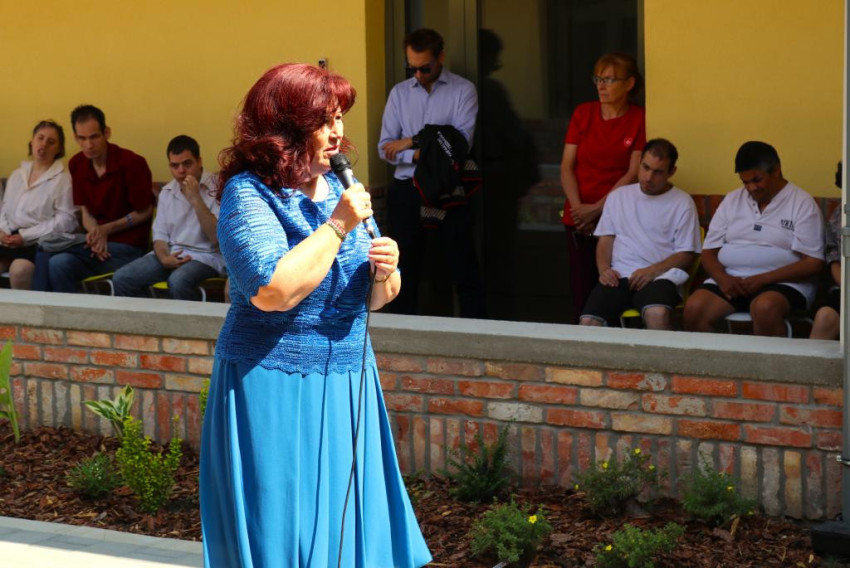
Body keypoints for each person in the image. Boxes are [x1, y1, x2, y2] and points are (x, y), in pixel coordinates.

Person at [200, 63, 431, 568]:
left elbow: (377, 297)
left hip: (348, 377)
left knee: (346, 520)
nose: (337, 131)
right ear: (284, 128)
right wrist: (339, 225)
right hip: (271, 377)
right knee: (284, 523)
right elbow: (273, 290)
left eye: (339, 118)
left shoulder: (343, 187)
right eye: (323, 121)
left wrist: (385, 270)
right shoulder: (248, 193)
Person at [378, 27, 486, 318]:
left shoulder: (463, 90)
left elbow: (459, 146)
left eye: (424, 68)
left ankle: (477, 335)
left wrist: (409, 141)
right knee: (403, 271)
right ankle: (402, 336)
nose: (418, 75)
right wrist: (421, 152)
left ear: (440, 58)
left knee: (464, 269)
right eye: (411, 68)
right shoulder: (400, 94)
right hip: (407, 189)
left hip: (448, 190)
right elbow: (384, 148)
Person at [684, 141, 824, 336]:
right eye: (745, 182)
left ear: (776, 170)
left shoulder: (802, 203)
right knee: (695, 308)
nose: (751, 187)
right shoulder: (732, 200)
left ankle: (774, 357)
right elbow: (708, 252)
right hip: (732, 280)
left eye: (757, 180)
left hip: (784, 284)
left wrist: (764, 279)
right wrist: (722, 278)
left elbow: (813, 263)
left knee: (765, 308)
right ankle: (716, 357)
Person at [579, 139, 701, 330]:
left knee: (657, 314)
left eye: (658, 172)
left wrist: (652, 271)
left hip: (660, 278)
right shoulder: (618, 196)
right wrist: (604, 269)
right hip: (619, 276)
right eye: (645, 167)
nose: (648, 177)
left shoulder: (682, 202)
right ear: (639, 162)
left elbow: (686, 255)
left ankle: (661, 352)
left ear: (671, 172)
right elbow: (606, 239)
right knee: (588, 322)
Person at [560, 52, 645, 322]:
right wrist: (578, 210)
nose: (601, 86)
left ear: (629, 83)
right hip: (578, 217)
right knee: (580, 285)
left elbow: (633, 172)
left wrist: (597, 209)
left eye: (609, 80)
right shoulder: (583, 113)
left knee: (613, 283)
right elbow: (567, 166)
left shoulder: (639, 118)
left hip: (616, 217)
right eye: (598, 79)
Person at [48, 105, 154, 293]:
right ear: (75, 138)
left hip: (128, 247)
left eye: (94, 137)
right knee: (58, 263)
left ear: (107, 133)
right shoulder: (77, 164)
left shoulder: (131, 163)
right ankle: (71, 312)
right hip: (93, 248)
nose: (88, 145)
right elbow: (85, 211)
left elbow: (145, 211)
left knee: (47, 249)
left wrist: (107, 229)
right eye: (82, 138)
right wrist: (96, 235)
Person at [112, 135, 223, 300]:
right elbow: (160, 236)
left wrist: (196, 199)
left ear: (199, 161)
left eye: (187, 164)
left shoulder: (218, 187)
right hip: (172, 252)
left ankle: (187, 318)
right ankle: (149, 317)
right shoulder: (167, 192)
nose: (181, 171)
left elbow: (217, 239)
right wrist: (164, 258)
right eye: (174, 165)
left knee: (178, 281)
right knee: (122, 278)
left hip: (206, 256)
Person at [0, 120, 78, 289]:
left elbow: (67, 221)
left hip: (39, 242)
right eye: (40, 138)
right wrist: (3, 232)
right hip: (9, 239)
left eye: (51, 142)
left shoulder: (63, 179)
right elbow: (4, 210)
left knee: (19, 270)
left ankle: (23, 309)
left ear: (59, 149)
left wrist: (25, 236)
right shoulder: (17, 175)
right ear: (32, 141)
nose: (44, 145)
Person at [810, 162, 842, 340]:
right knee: (825, 317)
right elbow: (833, 257)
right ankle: (810, 360)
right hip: (845, 289)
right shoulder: (840, 214)